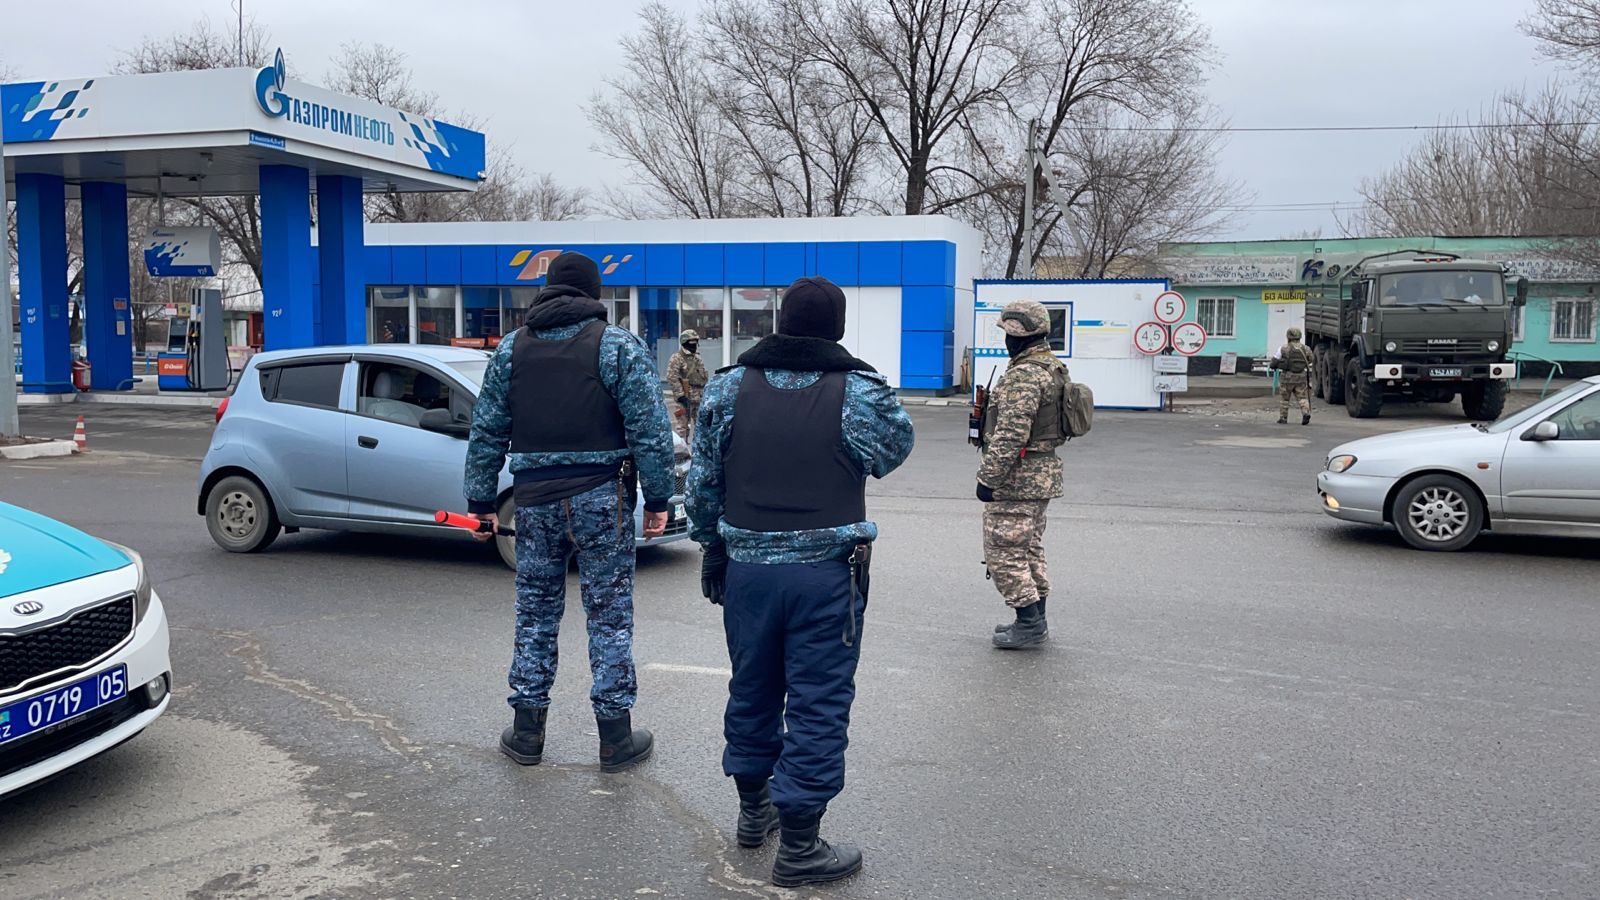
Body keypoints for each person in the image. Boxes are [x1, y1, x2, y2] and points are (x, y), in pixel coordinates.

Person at [688, 276, 914, 888]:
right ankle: (802, 844)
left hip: (748, 572)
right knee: (818, 701)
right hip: (825, 577)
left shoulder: (728, 386)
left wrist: (712, 549)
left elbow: (702, 482)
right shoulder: (860, 392)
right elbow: (893, 452)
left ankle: (753, 811)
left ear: (780, 323)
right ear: (836, 329)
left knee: (752, 686)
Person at [463, 251, 675, 773]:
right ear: (593, 295)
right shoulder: (617, 345)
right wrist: (660, 498)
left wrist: (480, 501)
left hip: (534, 500)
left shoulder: (511, 349)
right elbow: (650, 429)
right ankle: (615, 739)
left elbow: (486, 430)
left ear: (548, 292)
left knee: (535, 612)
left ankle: (527, 732)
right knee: (609, 616)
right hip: (604, 497)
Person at [976, 300, 1067, 650]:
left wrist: (989, 478)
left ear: (1018, 337)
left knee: (1004, 550)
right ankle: (1035, 618)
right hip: (1041, 475)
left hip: (1018, 478)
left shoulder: (1025, 374)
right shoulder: (1051, 367)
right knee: (1028, 548)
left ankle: (1028, 622)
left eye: (1009, 335)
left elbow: (1011, 432)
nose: (1006, 341)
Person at [666, 328, 709, 442]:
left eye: (696, 343)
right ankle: (682, 452)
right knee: (682, 427)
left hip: (699, 397)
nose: (694, 345)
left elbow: (702, 376)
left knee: (702, 426)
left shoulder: (697, 357)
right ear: (684, 342)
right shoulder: (677, 358)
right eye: (691, 343)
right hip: (685, 396)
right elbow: (672, 377)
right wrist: (681, 396)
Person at [1270, 327, 1314, 426]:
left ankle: (1283, 418)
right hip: (1301, 377)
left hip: (1287, 377)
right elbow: (1311, 359)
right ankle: (1306, 413)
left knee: (1285, 399)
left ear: (1288, 336)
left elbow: (1274, 361)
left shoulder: (1283, 348)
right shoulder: (1306, 348)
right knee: (1302, 397)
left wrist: (1275, 365)